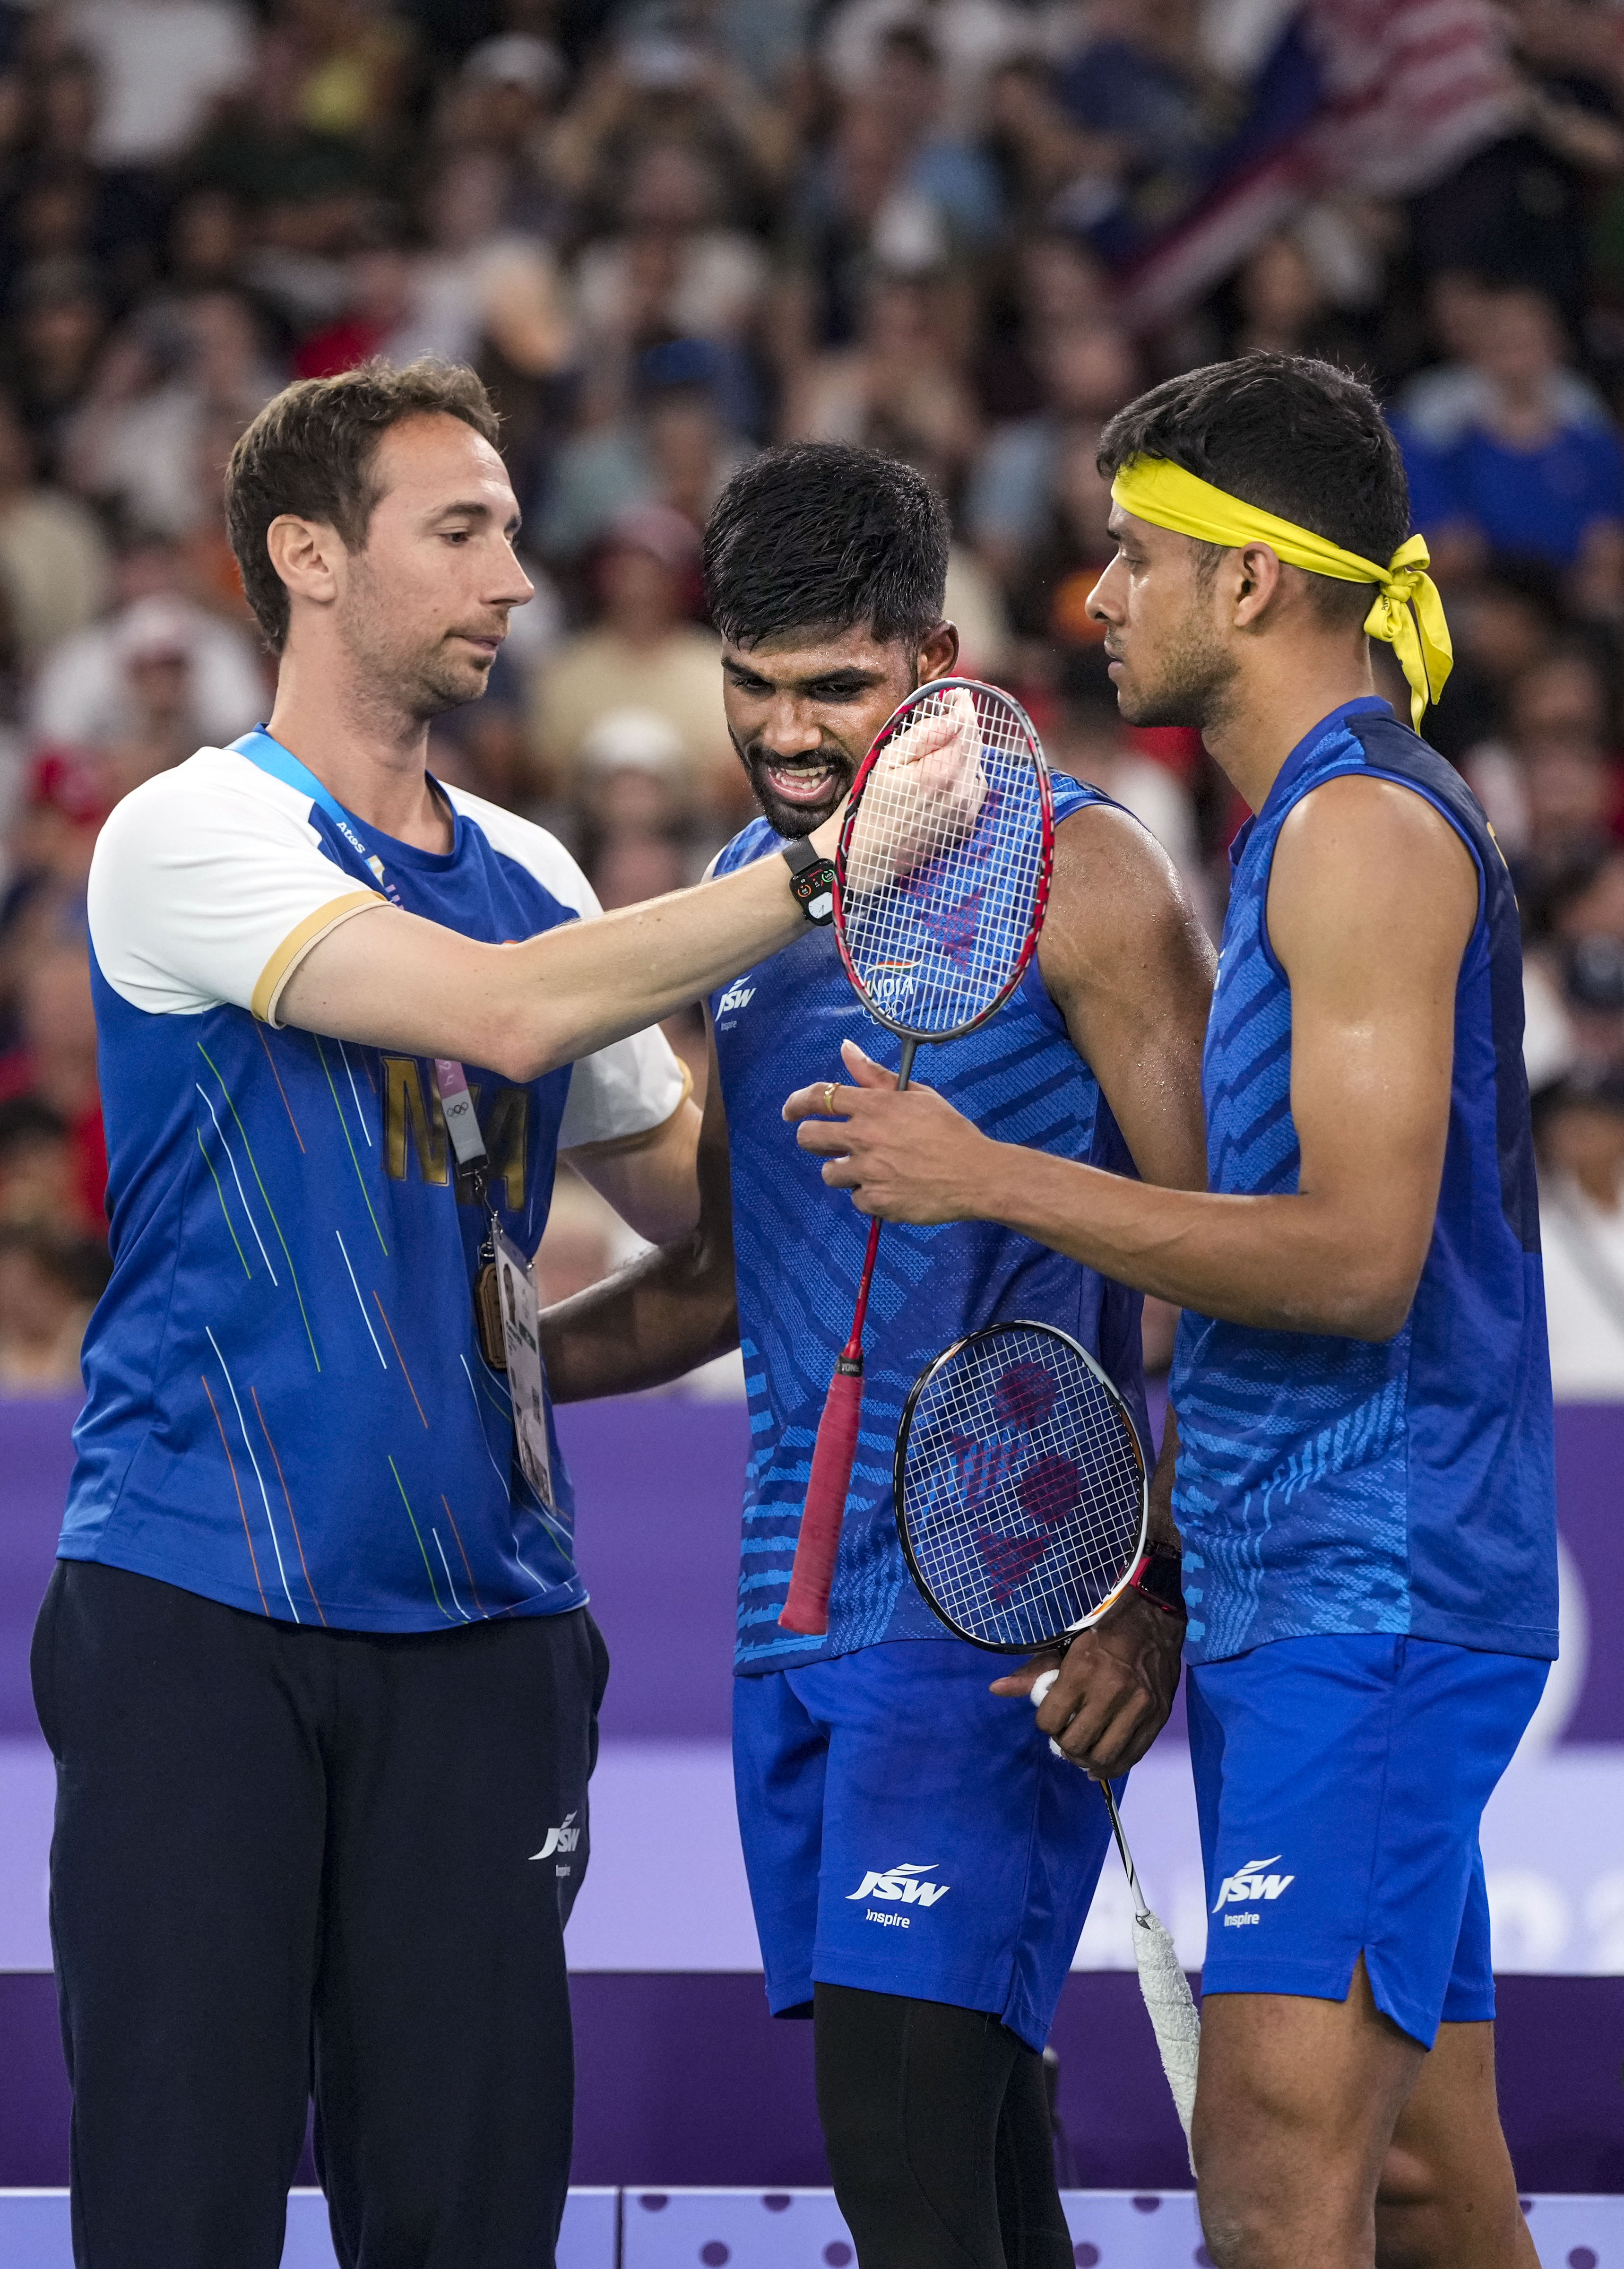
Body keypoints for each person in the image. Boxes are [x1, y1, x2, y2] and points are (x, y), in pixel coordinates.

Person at [34, 359, 926, 2269]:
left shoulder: (529, 870)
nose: (515, 577)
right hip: (200, 1610)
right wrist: (827, 869)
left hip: (487, 1635)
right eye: (461, 531)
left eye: (513, 531)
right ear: (309, 558)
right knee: (177, 2218)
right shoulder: (187, 836)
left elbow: (714, 1237)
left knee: (469, 2224)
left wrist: (944, 1095)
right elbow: (504, 1018)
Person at [786, 358, 1557, 2269]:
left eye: (1134, 555)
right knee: (1423, 2181)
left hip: (1374, 1586)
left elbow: (1352, 1261)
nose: (1098, 595)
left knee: (1274, 2194)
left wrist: (985, 1176)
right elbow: (1262, 1284)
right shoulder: (1303, 822)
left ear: (1252, 581)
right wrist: (1164, 1571)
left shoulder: (1358, 832)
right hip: (1305, 1581)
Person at [537, 442, 1215, 2268]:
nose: (785, 733)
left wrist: (1145, 1584)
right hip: (791, 1617)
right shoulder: (746, 905)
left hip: (995, 1605)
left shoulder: (1086, 873)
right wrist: (488, 1364)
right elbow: (719, 1280)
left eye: (833, 687)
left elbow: (1229, 1251)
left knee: (903, 2163)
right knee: (967, 2167)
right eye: (750, 685)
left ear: (932, 660)